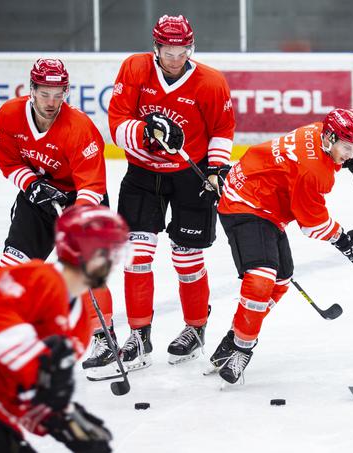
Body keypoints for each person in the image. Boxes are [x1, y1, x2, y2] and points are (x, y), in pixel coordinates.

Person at [206, 108, 353, 385]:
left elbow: (327, 155)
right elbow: (312, 224)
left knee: (281, 280)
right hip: (246, 203)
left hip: (263, 200)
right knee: (262, 278)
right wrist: (347, 242)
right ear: (330, 138)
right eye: (348, 148)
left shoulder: (318, 131)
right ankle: (242, 348)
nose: (351, 153)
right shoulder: (314, 171)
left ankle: (234, 337)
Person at [107, 14, 235, 372]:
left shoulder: (210, 82)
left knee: (187, 257)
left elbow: (223, 128)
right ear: (156, 48)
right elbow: (117, 122)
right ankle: (139, 334)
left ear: (190, 48)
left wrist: (216, 170)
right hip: (143, 175)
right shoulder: (134, 69)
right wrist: (147, 133)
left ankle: (195, 328)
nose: (175, 58)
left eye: (182, 51)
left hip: (189, 177)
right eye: (168, 50)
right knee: (137, 254)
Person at [0, 58, 119, 380]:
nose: (51, 102)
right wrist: (32, 185)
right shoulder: (9, 115)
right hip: (38, 197)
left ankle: (105, 340)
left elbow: (93, 184)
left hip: (82, 199)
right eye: (45, 93)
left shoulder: (79, 128)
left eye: (58, 93)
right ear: (31, 90)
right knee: (14, 265)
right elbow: (7, 160)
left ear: (66, 92)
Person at [0, 205, 128, 453]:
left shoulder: (79, 327)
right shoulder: (32, 278)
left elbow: (29, 393)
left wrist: (60, 420)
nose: (114, 261)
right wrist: (36, 358)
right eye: (109, 252)